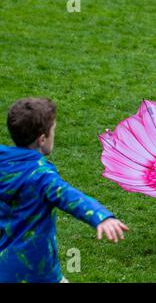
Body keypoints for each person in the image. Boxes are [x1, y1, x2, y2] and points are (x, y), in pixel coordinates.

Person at [0, 98, 129, 283]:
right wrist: (101, 216)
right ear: (42, 139)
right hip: (37, 270)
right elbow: (70, 197)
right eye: (53, 131)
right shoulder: (42, 176)